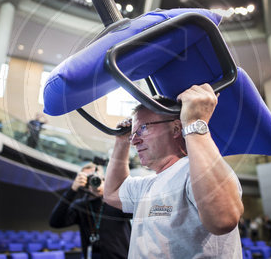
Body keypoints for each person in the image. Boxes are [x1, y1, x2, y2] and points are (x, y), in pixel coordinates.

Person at [104, 84, 244, 258]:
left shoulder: (194, 171)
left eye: (143, 128)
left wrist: (194, 123)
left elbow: (223, 219)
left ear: (177, 128)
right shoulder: (146, 185)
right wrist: (121, 142)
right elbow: (111, 193)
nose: (134, 141)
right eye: (133, 135)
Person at [49, 163, 131, 259]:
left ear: (104, 178)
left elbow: (135, 210)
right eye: (88, 178)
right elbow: (55, 222)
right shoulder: (80, 205)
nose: (93, 180)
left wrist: (109, 191)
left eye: (96, 176)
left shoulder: (116, 200)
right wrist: (72, 190)